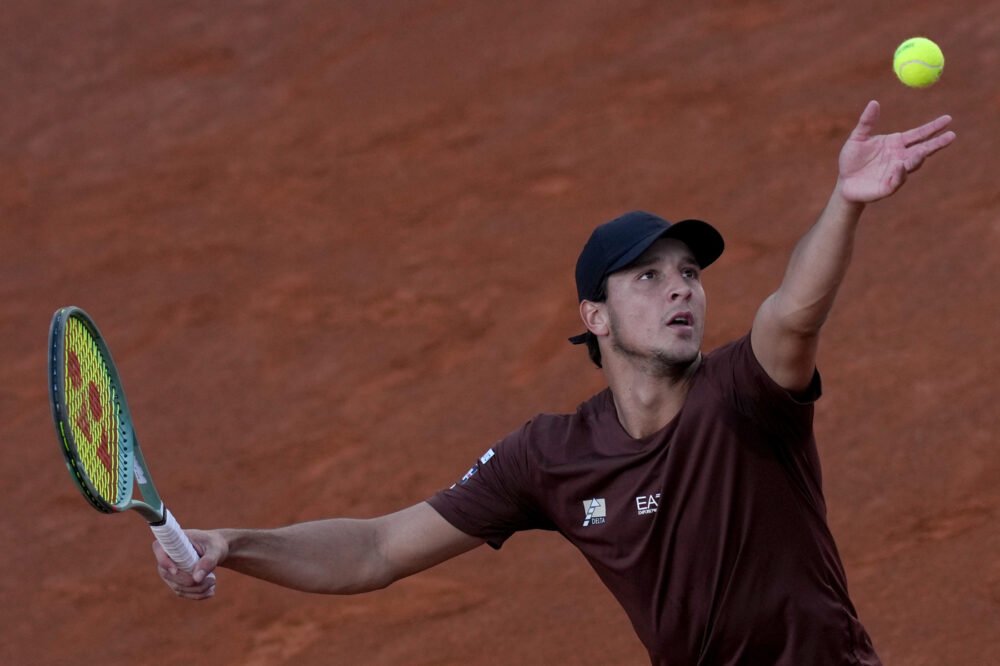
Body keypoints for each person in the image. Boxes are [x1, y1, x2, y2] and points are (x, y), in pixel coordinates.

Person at [155, 100, 955, 665]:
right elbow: (375, 548)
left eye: (688, 274)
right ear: (595, 316)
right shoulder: (550, 457)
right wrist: (230, 545)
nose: (681, 288)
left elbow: (796, 311)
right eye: (648, 277)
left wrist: (845, 204)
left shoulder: (746, 396)